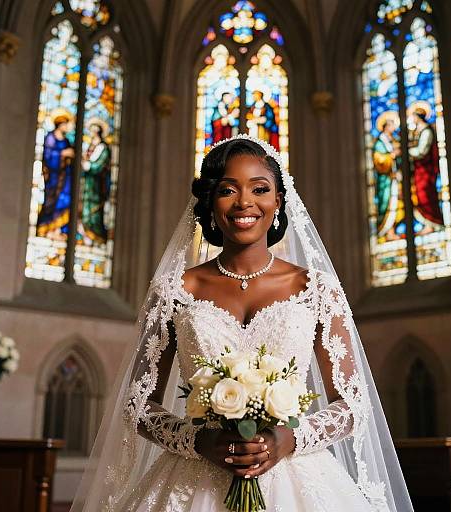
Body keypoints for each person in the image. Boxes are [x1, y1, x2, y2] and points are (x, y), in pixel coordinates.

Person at [71, 135, 413, 512]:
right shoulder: (174, 290)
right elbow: (137, 404)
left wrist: (289, 438)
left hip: (298, 476)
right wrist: (199, 441)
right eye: (227, 190)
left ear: (278, 201)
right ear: (210, 203)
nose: (244, 203)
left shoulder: (316, 289)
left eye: (260, 189)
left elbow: (351, 402)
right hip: (193, 477)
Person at [36, 112, 74, 240]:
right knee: (50, 203)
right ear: (60, 124)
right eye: (65, 124)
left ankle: (60, 230)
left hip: (65, 179)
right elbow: (48, 156)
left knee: (64, 201)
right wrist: (63, 154)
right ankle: (46, 228)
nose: (67, 127)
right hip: (53, 177)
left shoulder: (67, 140)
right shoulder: (51, 138)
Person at [408, 107, 443, 235]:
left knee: (426, 194)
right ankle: (428, 223)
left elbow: (422, 151)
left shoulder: (426, 131)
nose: (413, 119)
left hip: (426, 170)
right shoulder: (416, 131)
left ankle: (433, 223)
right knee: (419, 194)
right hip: (419, 170)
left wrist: (406, 152)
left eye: (414, 116)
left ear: (418, 117)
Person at [79, 121, 111, 245]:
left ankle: (95, 235)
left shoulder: (103, 148)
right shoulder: (90, 145)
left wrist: (88, 165)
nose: (91, 133)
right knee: (84, 209)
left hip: (97, 185)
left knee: (94, 211)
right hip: (87, 183)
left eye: (94, 131)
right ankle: (85, 233)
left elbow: (99, 165)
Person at [373, 114, 403, 241]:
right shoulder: (380, 141)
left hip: (396, 179)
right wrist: (391, 156)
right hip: (385, 181)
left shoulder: (394, 140)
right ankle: (387, 232)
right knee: (387, 205)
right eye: (391, 125)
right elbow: (378, 159)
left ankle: (393, 231)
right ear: (385, 126)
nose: (393, 128)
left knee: (398, 205)